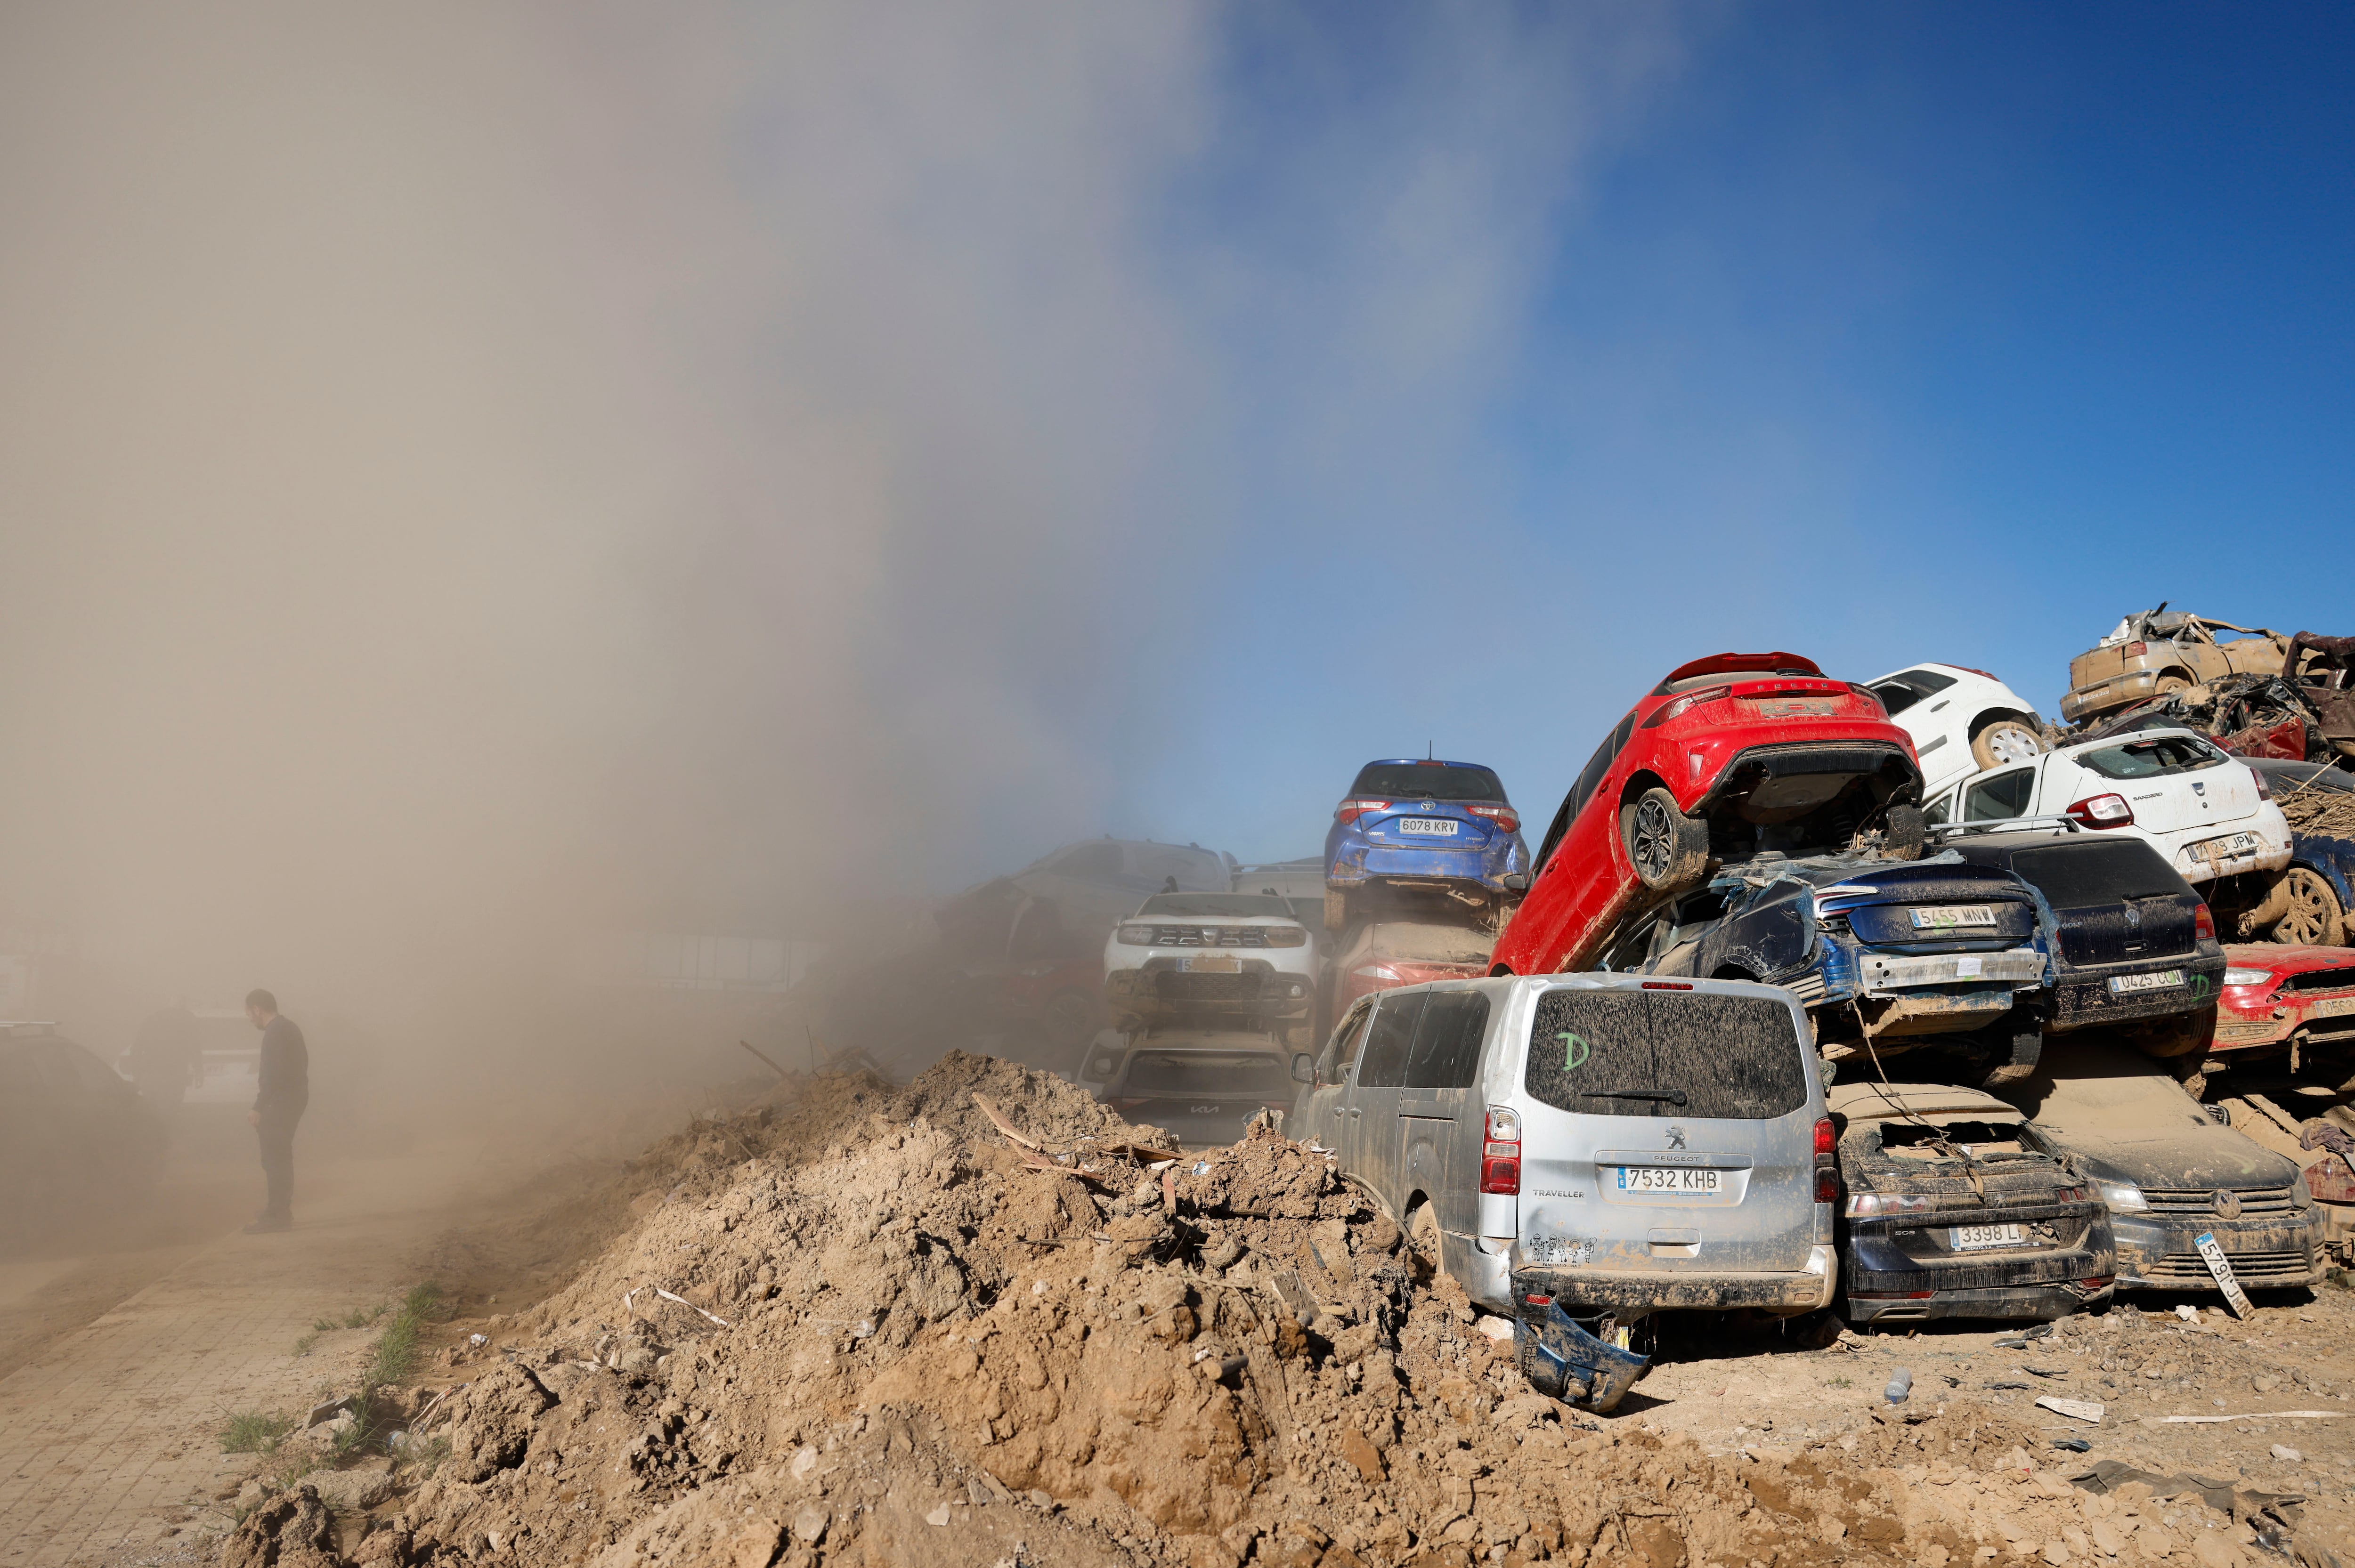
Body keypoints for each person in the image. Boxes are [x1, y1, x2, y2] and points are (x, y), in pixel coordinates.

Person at [243, 989, 308, 1234]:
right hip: (293, 1097)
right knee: (279, 1155)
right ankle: (279, 1209)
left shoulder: (275, 1033)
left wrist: (259, 1106)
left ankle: (277, 1214)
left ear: (257, 1010)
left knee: (275, 1158)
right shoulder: (288, 1027)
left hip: (281, 1101)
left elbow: (274, 1074)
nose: (250, 1019)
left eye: (249, 1014)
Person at [128, 1003, 199, 1107]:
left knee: (151, 1110)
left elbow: (136, 1050)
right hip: (175, 1076)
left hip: (151, 1075)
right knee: (171, 1109)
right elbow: (194, 1048)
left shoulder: (149, 1022)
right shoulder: (185, 1024)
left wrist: (136, 1075)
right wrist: (199, 1069)